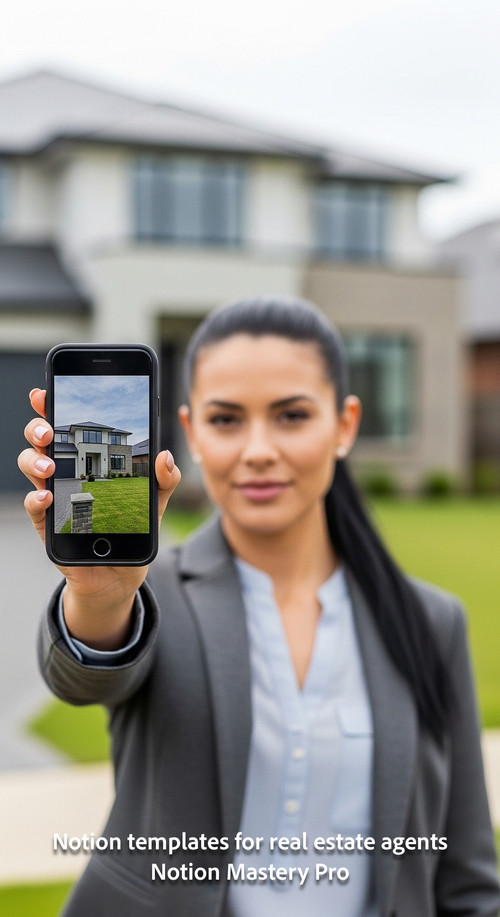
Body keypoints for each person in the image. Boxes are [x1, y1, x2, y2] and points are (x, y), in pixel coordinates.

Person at [19, 295, 499, 917]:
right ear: (189, 433)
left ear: (345, 425)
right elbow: (84, 675)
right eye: (226, 420)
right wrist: (97, 596)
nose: (258, 449)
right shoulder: (149, 595)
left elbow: (467, 880)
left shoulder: (432, 623)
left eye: (291, 416)